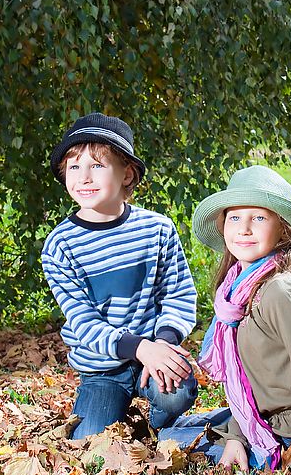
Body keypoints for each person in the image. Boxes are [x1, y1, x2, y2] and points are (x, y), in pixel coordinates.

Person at [159, 165, 291, 475]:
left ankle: (262, 452)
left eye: (259, 218)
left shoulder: (280, 293)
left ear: (283, 231)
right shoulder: (235, 292)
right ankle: (241, 440)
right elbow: (250, 385)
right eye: (235, 218)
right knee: (171, 434)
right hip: (265, 419)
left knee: (175, 441)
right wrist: (236, 435)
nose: (245, 229)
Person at [41, 112, 198, 440]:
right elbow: (83, 323)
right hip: (102, 368)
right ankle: (110, 405)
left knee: (176, 392)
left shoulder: (156, 229)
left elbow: (178, 294)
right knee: (90, 445)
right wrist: (139, 347)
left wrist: (163, 344)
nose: (84, 177)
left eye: (97, 166)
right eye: (74, 166)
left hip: (154, 351)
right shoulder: (61, 244)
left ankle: (160, 422)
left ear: (127, 174)